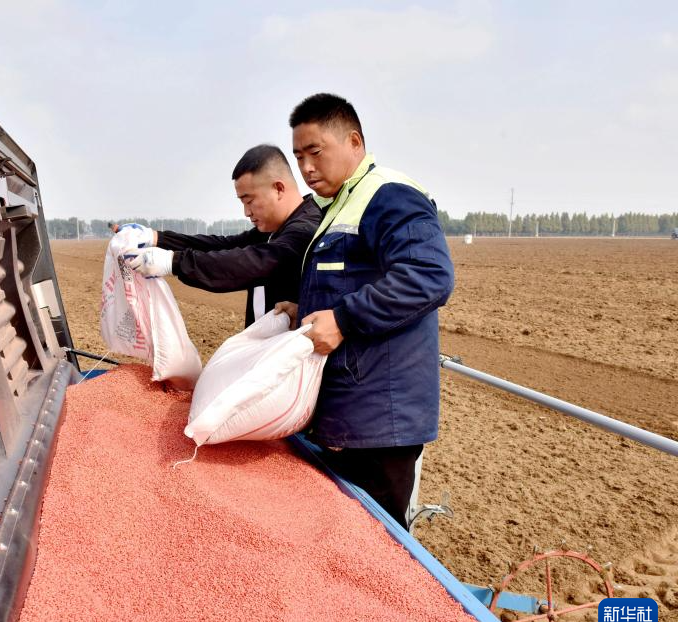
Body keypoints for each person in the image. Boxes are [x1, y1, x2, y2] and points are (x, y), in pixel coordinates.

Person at [277, 93, 455, 529]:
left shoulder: (390, 197)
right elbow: (355, 280)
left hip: (381, 419)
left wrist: (341, 319)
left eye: (315, 152)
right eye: (298, 156)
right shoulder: (338, 205)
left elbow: (429, 276)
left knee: (379, 543)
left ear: (354, 141)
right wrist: (309, 308)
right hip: (352, 411)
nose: (306, 168)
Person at [117, 145, 321, 327]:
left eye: (249, 201)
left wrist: (174, 262)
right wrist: (156, 238)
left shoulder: (305, 230)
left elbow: (253, 262)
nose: (246, 212)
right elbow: (222, 246)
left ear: (278, 188)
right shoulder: (271, 231)